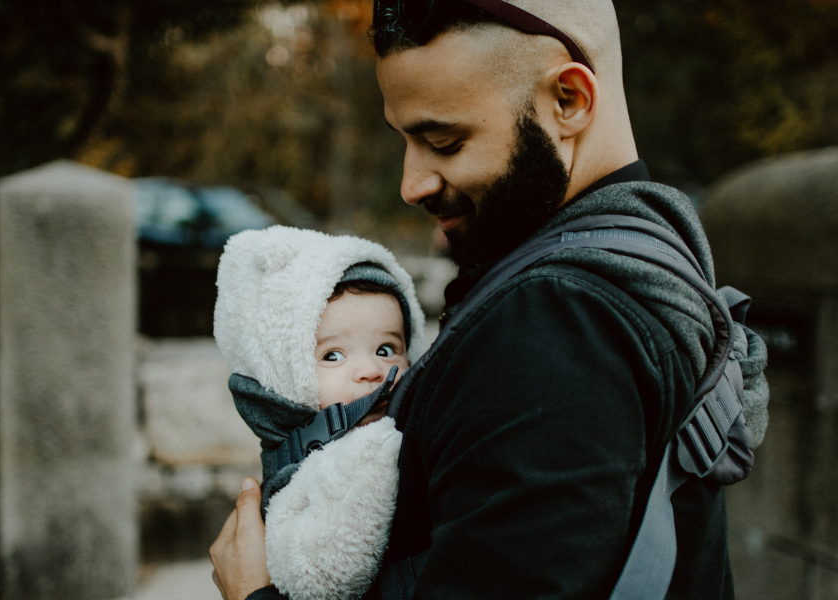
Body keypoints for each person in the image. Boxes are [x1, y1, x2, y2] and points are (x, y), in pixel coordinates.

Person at [210, 2, 770, 599]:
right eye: (405, 141)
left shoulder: (555, 321)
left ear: (569, 101)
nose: (412, 183)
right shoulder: (653, 254)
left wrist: (256, 596)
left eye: (444, 141)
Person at [212, 225, 427, 600]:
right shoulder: (303, 463)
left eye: (386, 348)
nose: (371, 371)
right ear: (285, 377)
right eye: (333, 355)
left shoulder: (415, 435)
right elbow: (321, 574)